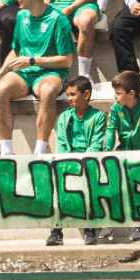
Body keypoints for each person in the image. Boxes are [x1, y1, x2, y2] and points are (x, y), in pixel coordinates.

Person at [0, 0, 73, 156]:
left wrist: (33, 61)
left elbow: (67, 60)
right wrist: (1, 72)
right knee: (0, 90)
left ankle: (40, 151)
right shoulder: (21, 16)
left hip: (50, 72)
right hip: (24, 73)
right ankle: (6, 152)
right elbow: (16, 50)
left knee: (48, 91)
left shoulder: (58, 19)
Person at [46, 76, 109, 247]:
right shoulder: (64, 117)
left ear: (86, 94)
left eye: (73, 94)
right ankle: (56, 231)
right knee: (57, 186)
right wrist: (68, 163)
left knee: (88, 184)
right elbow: (61, 144)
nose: (69, 98)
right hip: (68, 162)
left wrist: (82, 163)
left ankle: (90, 229)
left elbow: (96, 144)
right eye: (68, 95)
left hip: (89, 163)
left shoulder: (98, 116)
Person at [106, 69, 140, 242]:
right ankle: (109, 220)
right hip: (123, 151)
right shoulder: (115, 108)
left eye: (119, 93)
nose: (116, 97)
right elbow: (110, 131)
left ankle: (139, 224)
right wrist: (106, 152)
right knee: (110, 176)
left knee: (139, 180)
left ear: (132, 93)